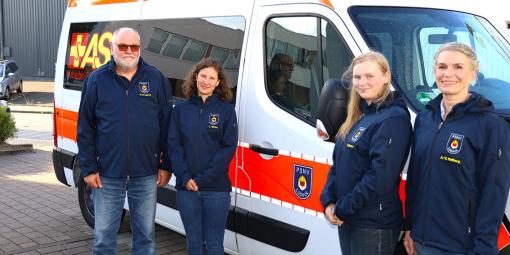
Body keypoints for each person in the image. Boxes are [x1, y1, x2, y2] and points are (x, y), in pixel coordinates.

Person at [404, 42, 510, 255]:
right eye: (442, 67)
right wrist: (409, 226)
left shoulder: (490, 125)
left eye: (458, 67)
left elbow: (494, 192)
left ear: (473, 73)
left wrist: (484, 248)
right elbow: (415, 179)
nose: (448, 74)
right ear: (434, 71)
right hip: (421, 241)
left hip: (462, 247)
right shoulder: (425, 118)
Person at [77, 27, 172, 255]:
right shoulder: (97, 80)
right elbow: (85, 128)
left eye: (134, 47)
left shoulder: (156, 79)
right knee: (104, 239)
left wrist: (166, 165)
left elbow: (167, 126)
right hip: (107, 175)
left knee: (145, 238)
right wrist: (89, 168)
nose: (129, 51)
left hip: (146, 174)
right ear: (112, 48)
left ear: (140, 48)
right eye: (122, 46)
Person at [320, 52, 412, 255]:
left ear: (386, 76)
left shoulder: (393, 118)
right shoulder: (358, 115)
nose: (362, 83)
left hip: (374, 224)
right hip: (349, 218)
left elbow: (380, 177)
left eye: (369, 76)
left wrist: (342, 208)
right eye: (357, 77)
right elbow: (338, 164)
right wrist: (328, 200)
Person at [168, 57, 237, 255]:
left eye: (211, 78)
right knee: (194, 245)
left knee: (215, 247)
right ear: (195, 77)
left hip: (216, 190)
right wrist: (185, 178)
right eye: (203, 76)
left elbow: (227, 148)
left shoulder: (226, 110)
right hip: (186, 189)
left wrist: (202, 179)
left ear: (218, 83)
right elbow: (174, 146)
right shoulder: (180, 109)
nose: (206, 81)